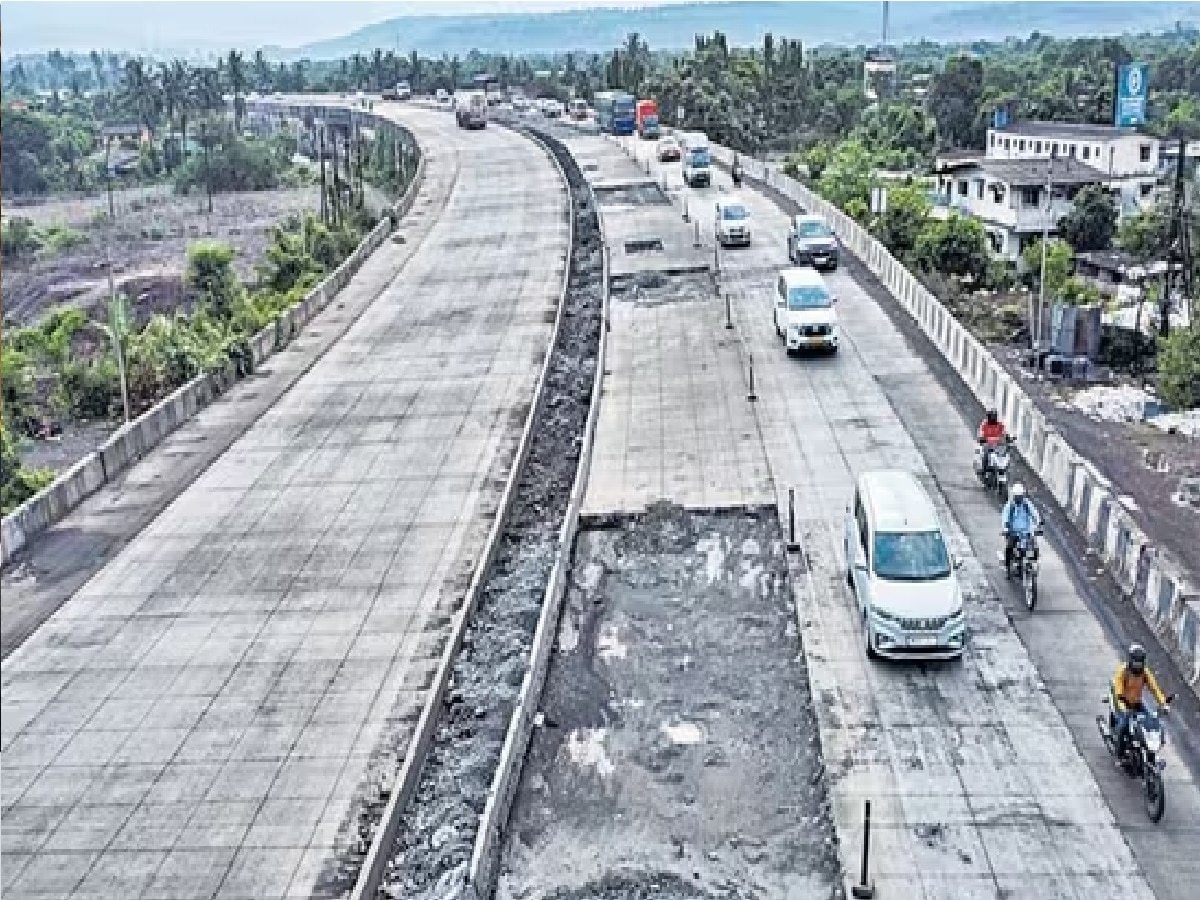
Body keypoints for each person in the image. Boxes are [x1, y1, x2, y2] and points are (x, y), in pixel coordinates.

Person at [1111, 643, 1169, 764]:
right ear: (1130, 660)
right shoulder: (1122, 672)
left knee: (1150, 722)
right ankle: (1119, 755)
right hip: (1122, 703)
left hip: (1137, 702)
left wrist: (1163, 703)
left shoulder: (1145, 673)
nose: (1138, 666)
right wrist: (1124, 709)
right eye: (1135, 663)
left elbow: (1155, 689)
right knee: (1123, 727)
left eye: (1140, 663)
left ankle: (1149, 754)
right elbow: (1118, 692)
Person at [1000, 482, 1041, 574]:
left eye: (1020, 496)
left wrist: (1038, 523)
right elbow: (1005, 517)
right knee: (1009, 548)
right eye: (1017, 496)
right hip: (1013, 532)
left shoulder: (1026, 504)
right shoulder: (1010, 505)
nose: (1019, 498)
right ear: (1014, 496)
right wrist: (1006, 528)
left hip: (1025, 532)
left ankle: (1033, 563)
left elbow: (1034, 513)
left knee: (1034, 547)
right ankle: (1007, 567)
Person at [976, 408, 1006, 480]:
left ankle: (1002, 471)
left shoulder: (1000, 425)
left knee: (1004, 456)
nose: (993, 418)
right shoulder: (984, 424)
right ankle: (984, 470)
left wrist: (1008, 439)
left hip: (997, 446)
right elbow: (980, 433)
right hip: (987, 445)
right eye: (991, 416)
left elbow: (1004, 433)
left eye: (994, 416)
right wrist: (981, 438)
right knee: (985, 455)